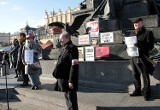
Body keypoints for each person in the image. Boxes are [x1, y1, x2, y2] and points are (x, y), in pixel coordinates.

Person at [129, 18, 155, 101]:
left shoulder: (148, 33)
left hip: (143, 58)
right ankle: (137, 90)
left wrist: (139, 44)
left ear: (141, 23)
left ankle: (146, 93)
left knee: (145, 75)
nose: (135, 24)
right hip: (133, 57)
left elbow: (151, 46)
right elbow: (128, 44)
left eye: (137, 23)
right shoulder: (132, 33)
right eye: (134, 23)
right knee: (135, 74)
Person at [52, 31, 79, 110]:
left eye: (61, 40)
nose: (60, 41)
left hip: (68, 79)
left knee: (72, 102)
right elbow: (65, 60)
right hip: (63, 78)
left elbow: (74, 65)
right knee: (68, 101)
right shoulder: (64, 48)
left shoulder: (72, 48)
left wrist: (71, 80)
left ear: (67, 38)